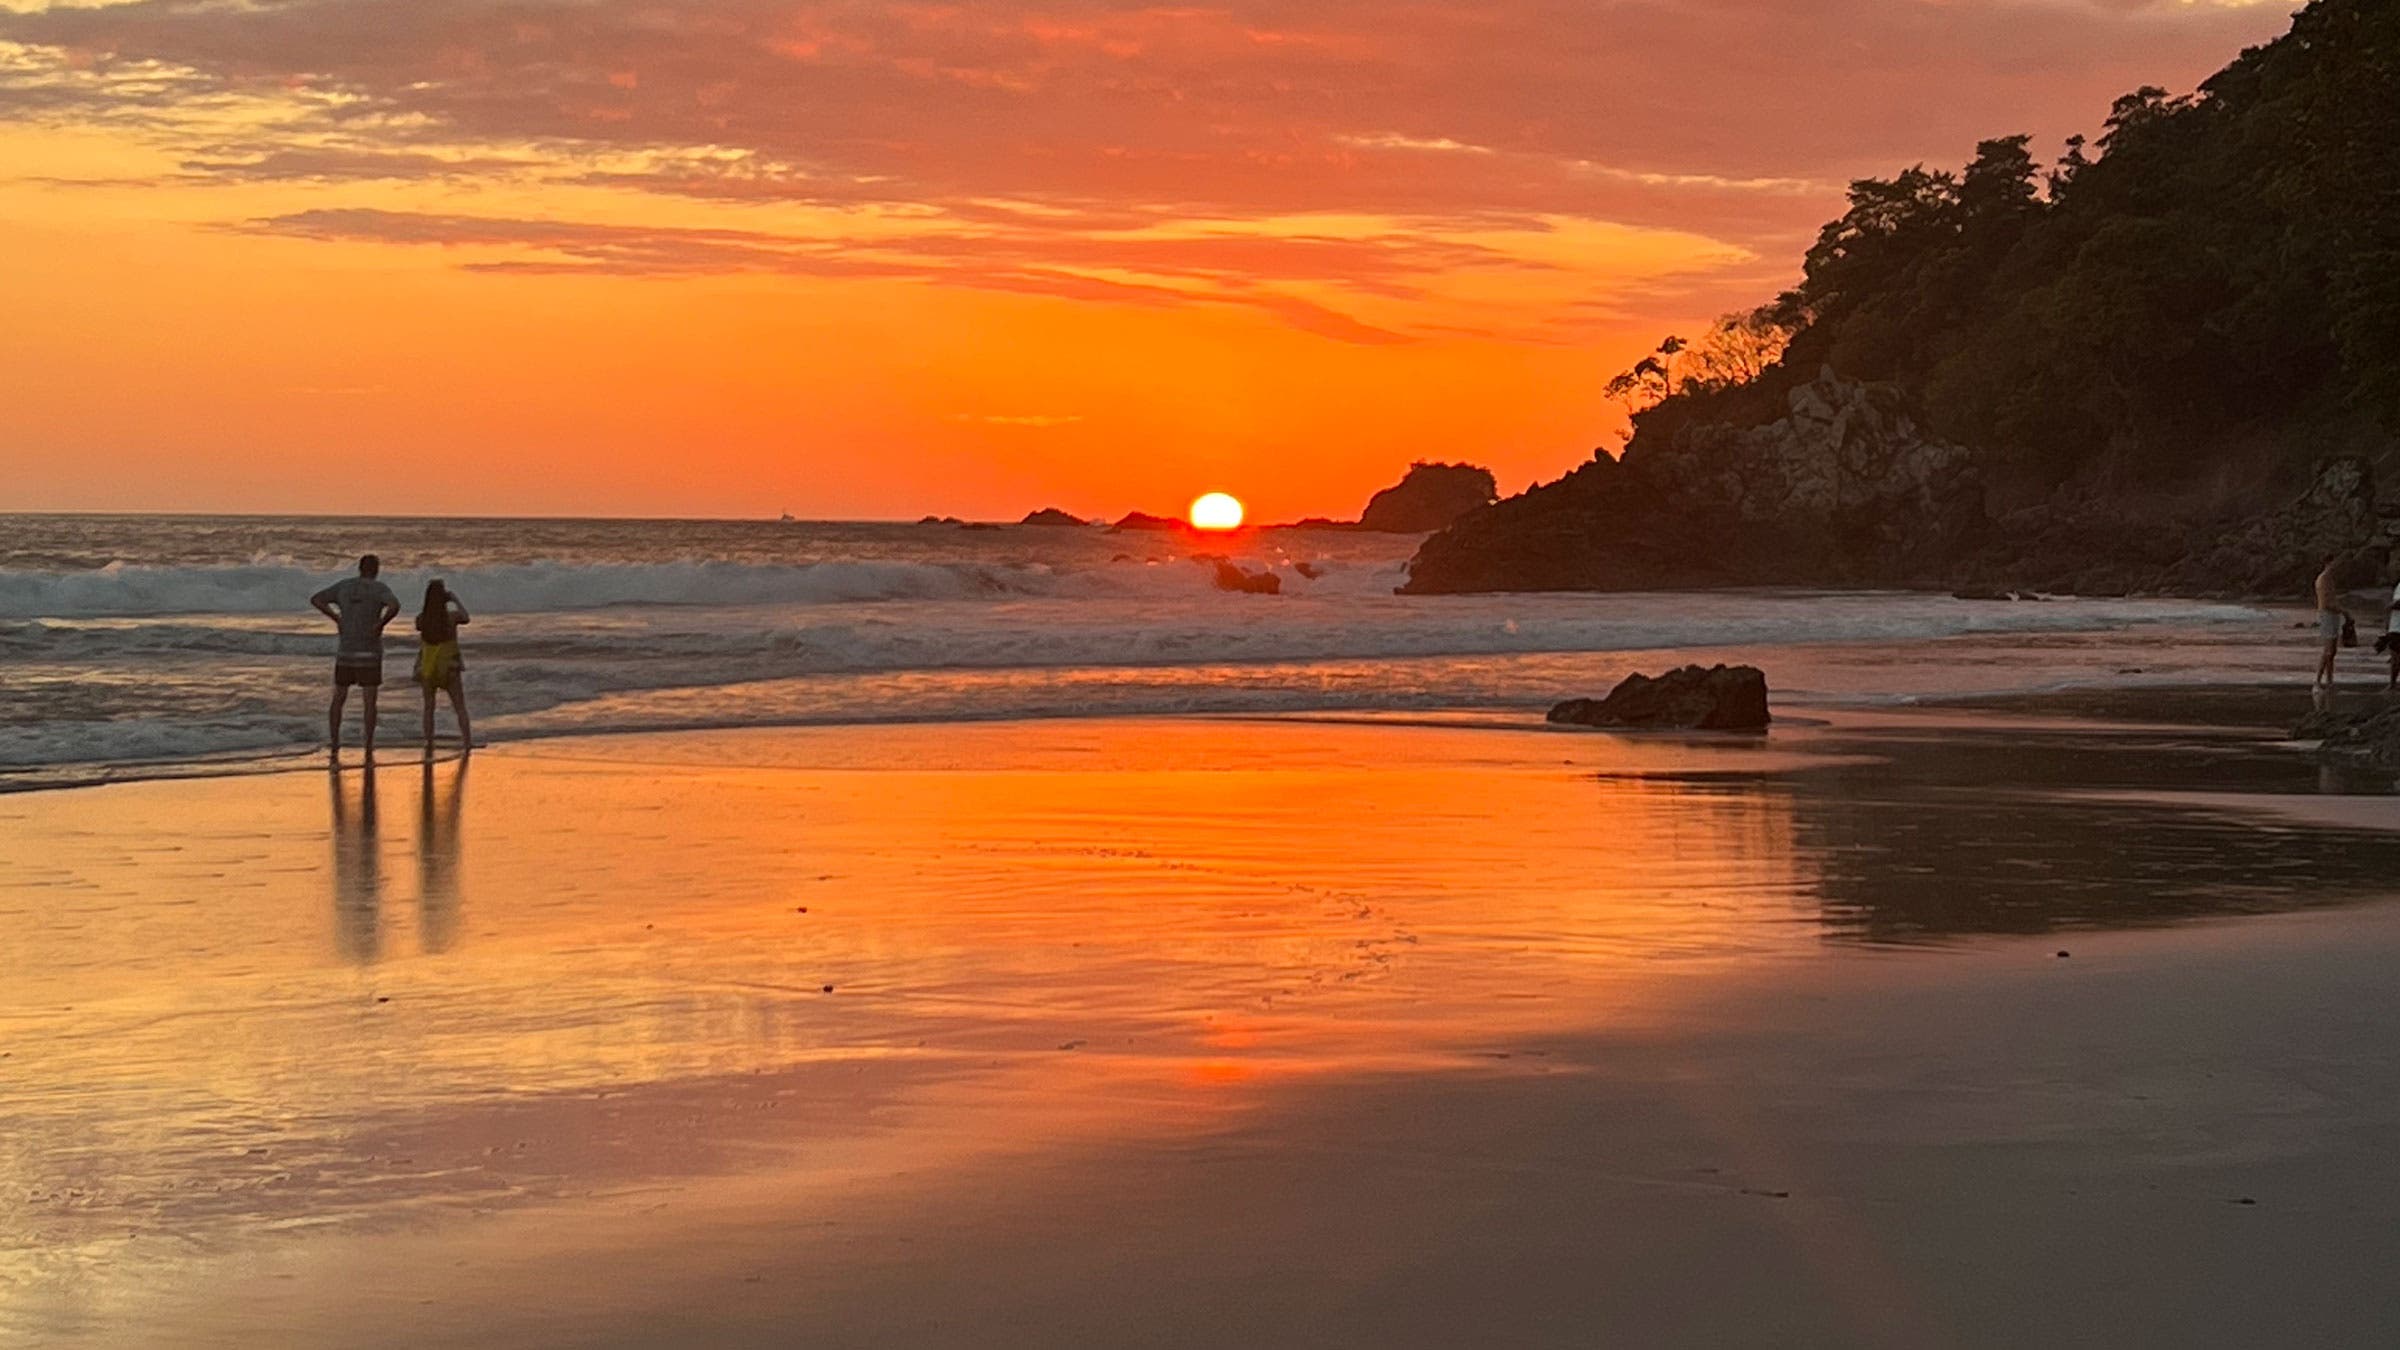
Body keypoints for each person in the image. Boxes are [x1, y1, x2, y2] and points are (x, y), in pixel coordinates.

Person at [311, 555, 401, 761]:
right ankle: (368, 744)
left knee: (339, 698)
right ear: (376, 570)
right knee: (369, 701)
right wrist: (380, 624)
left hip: (346, 652)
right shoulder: (379, 589)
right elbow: (394, 606)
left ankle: (335, 742)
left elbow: (317, 599)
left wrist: (337, 618)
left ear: (360, 568)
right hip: (369, 652)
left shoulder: (344, 586)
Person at [413, 579, 474, 755]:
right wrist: (454, 599)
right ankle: (467, 742)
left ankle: (429, 742)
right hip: (449, 666)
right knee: (459, 706)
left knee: (429, 707)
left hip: (428, 666)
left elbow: (419, 629)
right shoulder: (451, 618)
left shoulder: (421, 619)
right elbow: (466, 617)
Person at [2314, 552, 2349, 689]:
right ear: (2329, 562)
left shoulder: (2329, 578)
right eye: (2335, 562)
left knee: (2333, 651)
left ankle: (2329, 681)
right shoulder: (2323, 579)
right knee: (2328, 650)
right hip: (2327, 615)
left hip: (2333, 614)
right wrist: (2343, 611)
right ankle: (2317, 681)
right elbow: (2325, 603)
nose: (2337, 565)